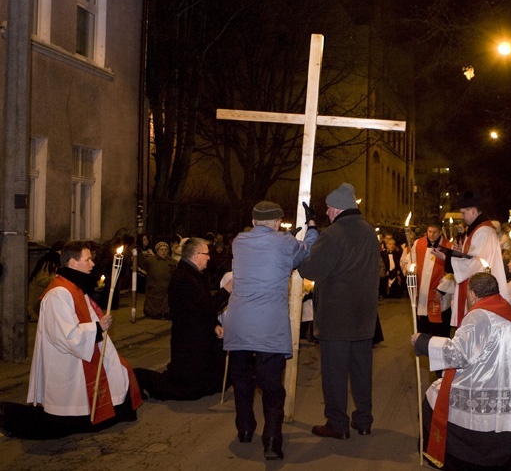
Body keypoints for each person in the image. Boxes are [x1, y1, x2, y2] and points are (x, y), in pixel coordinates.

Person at [0, 241, 142, 439]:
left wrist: (100, 323)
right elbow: (66, 335)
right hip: (67, 364)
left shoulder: (75, 287)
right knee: (59, 422)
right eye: (87, 259)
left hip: (80, 358)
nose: (92, 264)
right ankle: (7, 414)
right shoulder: (59, 293)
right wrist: (97, 327)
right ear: (73, 263)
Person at [411, 273, 511, 470]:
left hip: (484, 384)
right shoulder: (510, 312)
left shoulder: (478, 315)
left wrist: (422, 341)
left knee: (433, 395)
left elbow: (457, 354)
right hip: (505, 381)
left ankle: (444, 455)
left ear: (472, 293)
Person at [223, 200, 317, 461]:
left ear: (253, 222)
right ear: (278, 222)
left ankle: (244, 429)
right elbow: (306, 251)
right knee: (272, 386)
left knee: (241, 380)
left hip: (239, 322)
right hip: (269, 326)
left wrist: (285, 239)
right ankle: (272, 440)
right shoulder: (285, 242)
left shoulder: (239, 242)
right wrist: (311, 226)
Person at [298, 182, 379, 441]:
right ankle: (363, 420)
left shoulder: (334, 233)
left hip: (337, 317)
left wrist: (310, 235)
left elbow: (310, 269)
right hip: (364, 316)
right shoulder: (369, 232)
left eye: (328, 210)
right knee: (361, 372)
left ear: (336, 209)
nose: (327, 214)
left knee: (334, 373)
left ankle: (337, 423)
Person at [134, 238, 232, 401]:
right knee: (183, 390)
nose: (209, 257)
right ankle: (140, 377)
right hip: (188, 342)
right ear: (195, 255)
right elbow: (204, 307)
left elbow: (202, 307)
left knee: (211, 384)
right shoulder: (183, 278)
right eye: (206, 254)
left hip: (201, 338)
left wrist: (214, 324)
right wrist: (226, 291)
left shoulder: (196, 274)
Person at [432, 191, 509, 327]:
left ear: (473, 210)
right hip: (472, 282)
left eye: (463, 213)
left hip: (482, 289)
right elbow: (469, 256)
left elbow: (475, 263)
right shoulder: (475, 230)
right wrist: (457, 252)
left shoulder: (484, 232)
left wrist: (448, 258)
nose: (462, 217)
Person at [400, 220, 452, 336]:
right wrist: (409, 269)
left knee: (439, 330)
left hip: (438, 293)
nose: (431, 235)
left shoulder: (448, 246)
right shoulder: (419, 243)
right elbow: (409, 260)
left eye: (434, 232)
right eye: (429, 231)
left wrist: (442, 288)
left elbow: (453, 271)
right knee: (424, 327)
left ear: (440, 232)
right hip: (422, 292)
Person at [27, 240, 65, 319]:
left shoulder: (53, 262)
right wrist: (57, 278)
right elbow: (42, 280)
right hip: (37, 301)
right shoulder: (48, 263)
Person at [140, 241, 176, 319]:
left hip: (166, 289)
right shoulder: (151, 261)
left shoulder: (172, 262)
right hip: (154, 289)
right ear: (157, 251)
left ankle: (166, 312)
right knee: (154, 312)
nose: (164, 252)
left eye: (165, 250)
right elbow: (141, 263)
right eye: (161, 249)